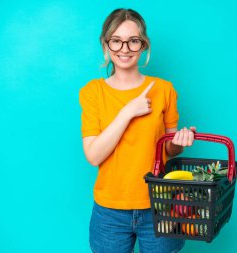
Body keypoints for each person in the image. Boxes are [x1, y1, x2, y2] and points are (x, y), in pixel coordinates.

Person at [79, 8, 196, 253]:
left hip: (160, 204)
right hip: (109, 211)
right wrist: (128, 112)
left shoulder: (164, 90)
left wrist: (179, 141)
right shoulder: (93, 93)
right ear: (105, 44)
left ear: (143, 45)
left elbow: (168, 149)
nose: (124, 49)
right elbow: (93, 155)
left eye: (133, 41)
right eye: (116, 41)